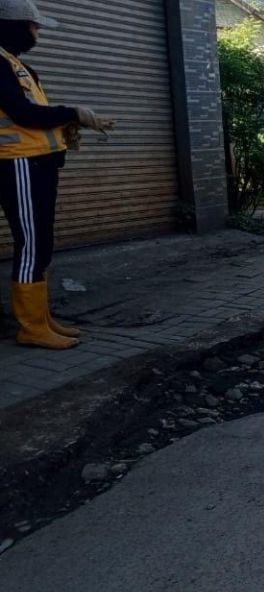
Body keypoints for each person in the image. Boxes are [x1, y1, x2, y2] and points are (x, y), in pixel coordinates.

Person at [0, 0, 113, 350]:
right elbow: (24, 114)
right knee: (32, 243)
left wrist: (68, 123)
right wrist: (72, 112)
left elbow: (34, 115)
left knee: (42, 242)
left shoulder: (17, 64)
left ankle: (41, 318)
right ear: (14, 26)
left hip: (37, 163)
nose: (38, 33)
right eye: (34, 26)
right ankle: (31, 327)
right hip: (18, 163)